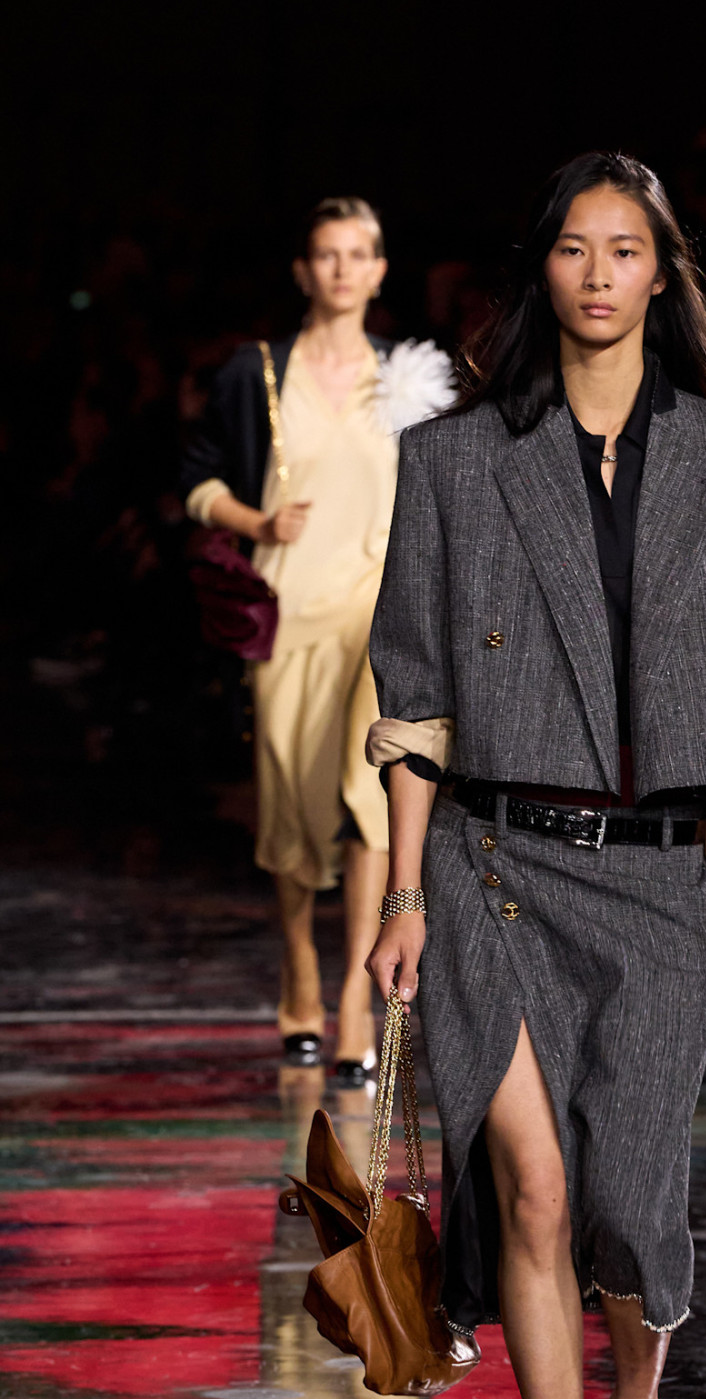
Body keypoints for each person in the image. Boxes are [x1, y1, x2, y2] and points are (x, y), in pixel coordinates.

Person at [366, 152, 706, 1399]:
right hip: (493, 866)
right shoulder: (456, 464)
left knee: (630, 1200)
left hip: (664, 882)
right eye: (575, 247)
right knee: (538, 1194)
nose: (600, 273)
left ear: (663, 273)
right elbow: (415, 693)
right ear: (541, 267)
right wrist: (405, 895)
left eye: (627, 249)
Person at [182, 197, 455, 1079]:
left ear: (380, 271)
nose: (343, 269)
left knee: (371, 798)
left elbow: (443, 497)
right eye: (327, 254)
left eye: (359, 253)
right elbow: (196, 481)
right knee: (294, 805)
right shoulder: (257, 372)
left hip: (381, 621)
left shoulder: (410, 376)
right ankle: (298, 965)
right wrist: (257, 522)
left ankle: (354, 1000)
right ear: (304, 271)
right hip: (289, 611)